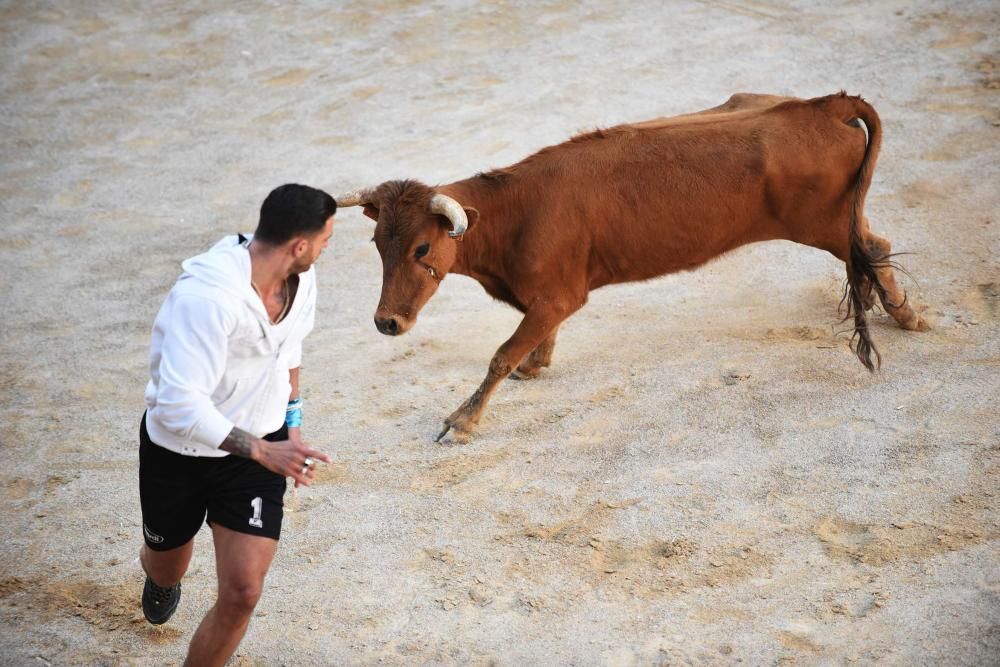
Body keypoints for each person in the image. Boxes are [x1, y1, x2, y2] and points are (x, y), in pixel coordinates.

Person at [138, 183, 335, 666]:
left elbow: (290, 350)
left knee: (243, 592)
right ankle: (160, 576)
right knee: (167, 564)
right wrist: (266, 452)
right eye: (327, 239)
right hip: (179, 454)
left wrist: (290, 426)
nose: (328, 247)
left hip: (254, 455)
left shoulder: (301, 280)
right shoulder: (207, 299)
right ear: (299, 245)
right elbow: (176, 407)